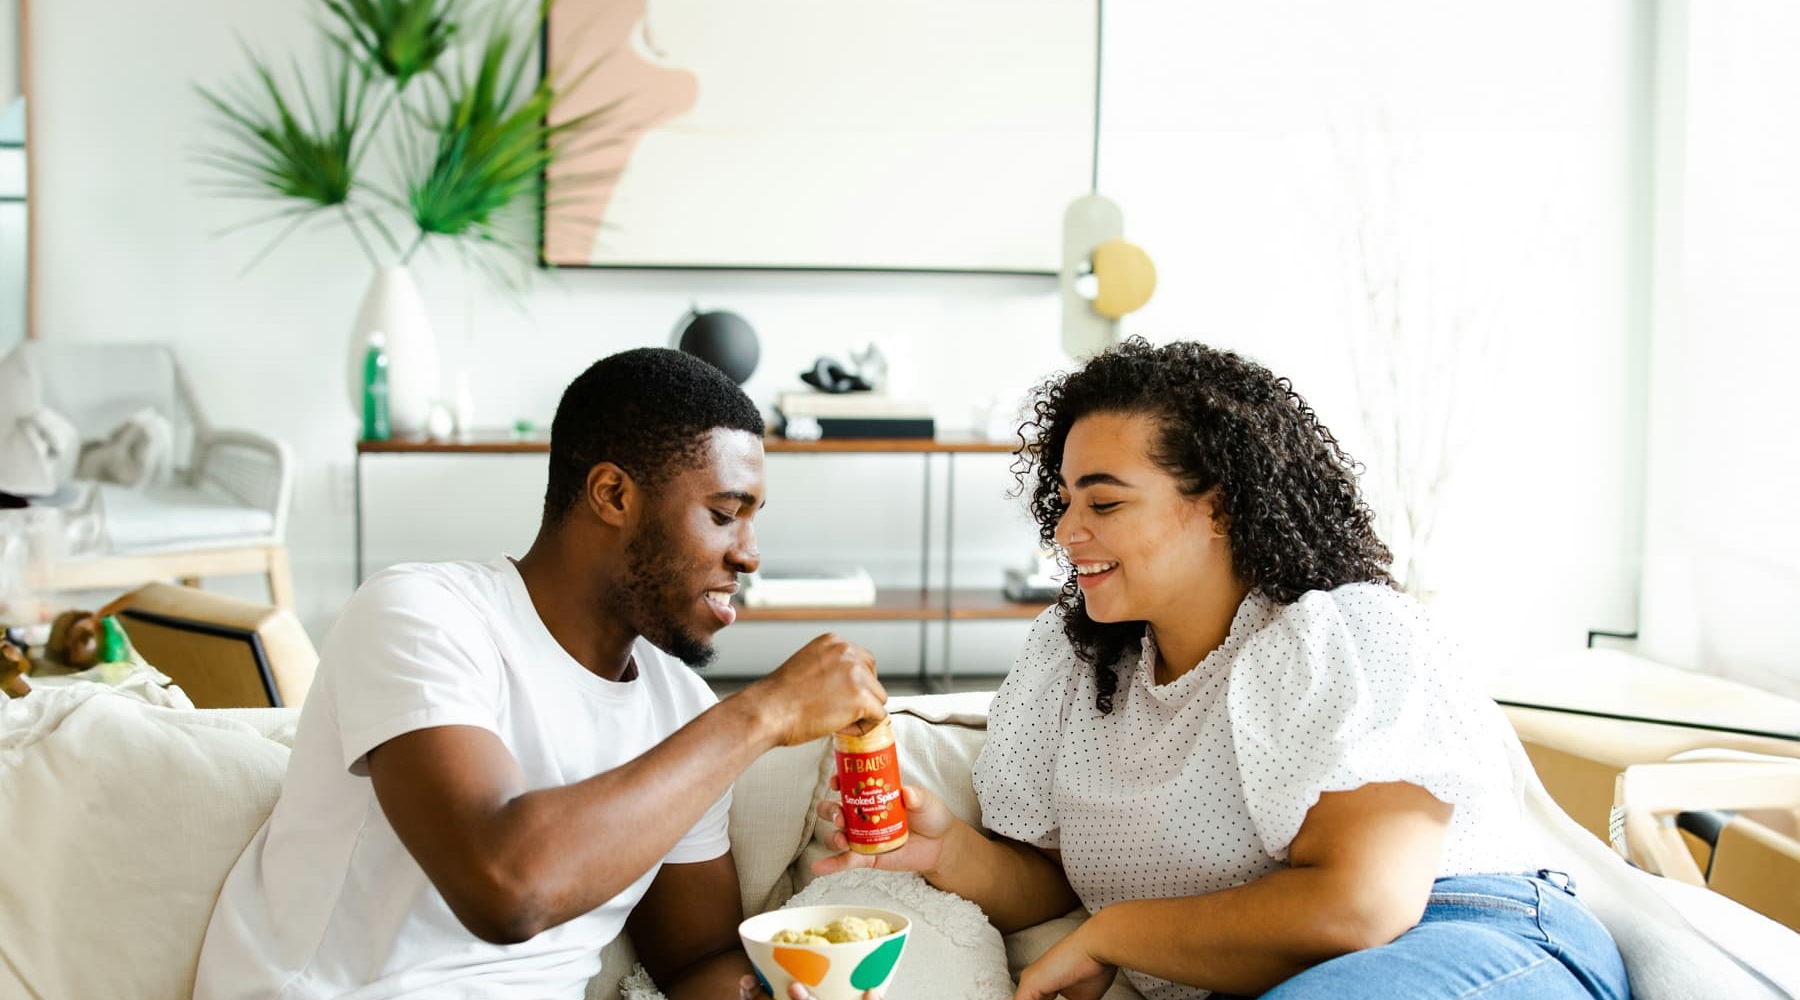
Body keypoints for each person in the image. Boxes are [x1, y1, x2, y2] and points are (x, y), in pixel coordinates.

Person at [815, 338, 1629, 1000]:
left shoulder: (1339, 633)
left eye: (1104, 504)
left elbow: (1362, 906)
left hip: (1468, 938)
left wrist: (1117, 935)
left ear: (1219, 506)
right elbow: (1052, 879)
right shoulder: (1075, 665)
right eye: (1062, 501)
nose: (1067, 532)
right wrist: (944, 850)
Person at [195, 347, 888, 1000]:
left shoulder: (680, 709)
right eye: (723, 515)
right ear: (613, 495)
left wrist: (788, 980)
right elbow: (505, 888)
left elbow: (695, 959)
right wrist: (761, 713)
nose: (750, 555)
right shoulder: (423, 616)